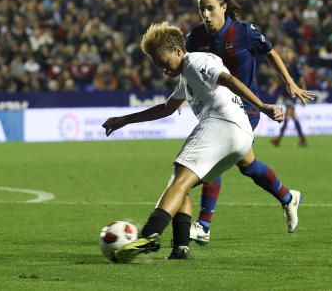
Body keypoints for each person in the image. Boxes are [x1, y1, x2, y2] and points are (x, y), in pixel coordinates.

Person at [102, 22, 297, 263]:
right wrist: (125, 120)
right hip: (240, 138)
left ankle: (150, 234)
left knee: (178, 179)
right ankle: (181, 248)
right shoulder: (187, 75)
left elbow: (229, 80)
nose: (163, 70)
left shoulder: (196, 62)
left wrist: (263, 106)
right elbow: (166, 108)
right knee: (183, 186)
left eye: (163, 63)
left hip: (222, 123)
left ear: (177, 50)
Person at [185, 0, 314, 245]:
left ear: (224, 7)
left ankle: (204, 225)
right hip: (216, 107)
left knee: (214, 155)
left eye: (210, 8)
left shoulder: (243, 32)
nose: (206, 15)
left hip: (247, 108)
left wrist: (289, 83)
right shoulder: (197, 37)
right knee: (249, 166)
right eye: (202, 10)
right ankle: (289, 198)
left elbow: (271, 52)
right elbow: (186, 68)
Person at [270, 43, 309, 147]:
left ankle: (279, 139)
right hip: (286, 93)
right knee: (293, 116)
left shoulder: (295, 64)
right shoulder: (284, 64)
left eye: (287, 52)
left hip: (293, 93)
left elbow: (301, 79)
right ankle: (303, 139)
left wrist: (303, 92)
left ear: (292, 53)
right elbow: (280, 80)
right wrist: (273, 88)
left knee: (287, 115)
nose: (285, 54)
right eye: (284, 52)